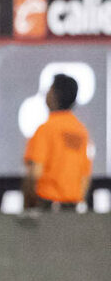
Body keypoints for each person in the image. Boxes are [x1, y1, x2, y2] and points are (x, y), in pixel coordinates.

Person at [23, 74, 92, 211]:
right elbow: (85, 175)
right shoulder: (81, 131)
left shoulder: (46, 129)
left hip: (47, 204)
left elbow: (35, 171)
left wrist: (29, 202)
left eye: (49, 90)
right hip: (72, 206)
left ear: (54, 95)